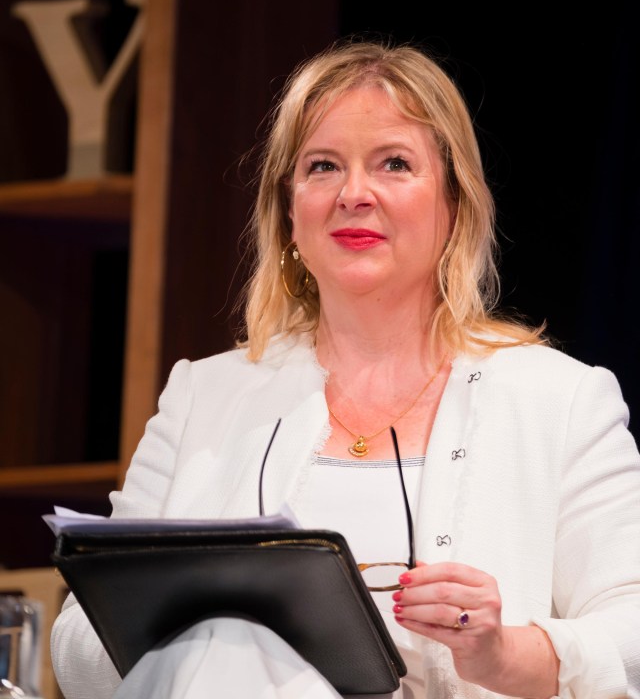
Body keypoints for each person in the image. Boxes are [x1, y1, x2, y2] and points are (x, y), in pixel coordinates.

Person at [50, 38, 640, 699]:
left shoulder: (560, 402)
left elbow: (633, 634)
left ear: (455, 205)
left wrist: (503, 652)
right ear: (290, 210)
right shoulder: (202, 395)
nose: (354, 194)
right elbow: (75, 645)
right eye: (323, 166)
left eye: (394, 163)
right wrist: (196, 633)